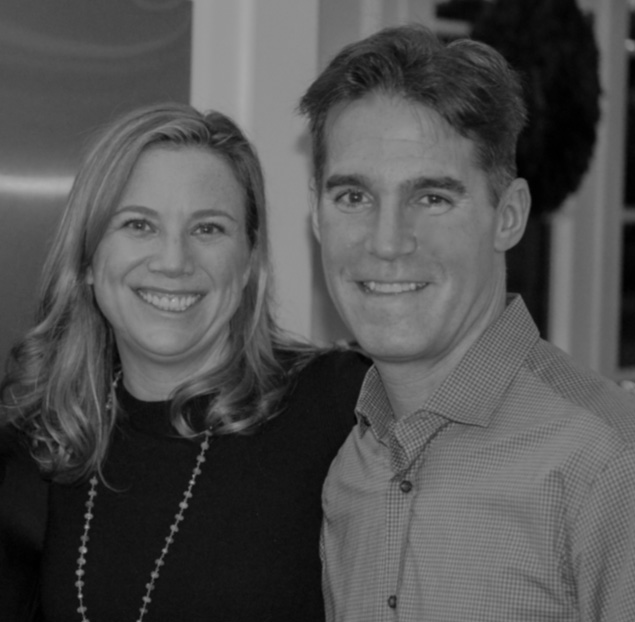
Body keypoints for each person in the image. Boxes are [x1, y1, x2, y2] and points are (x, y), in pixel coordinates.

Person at [298, 24, 635, 621]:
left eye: (432, 198)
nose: (387, 242)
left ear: (508, 215)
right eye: (354, 197)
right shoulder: (348, 470)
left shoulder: (613, 461)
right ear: (315, 215)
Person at [0, 103, 369, 621]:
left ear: (249, 261)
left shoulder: (342, 405)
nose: (173, 261)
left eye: (208, 229)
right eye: (138, 224)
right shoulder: (39, 439)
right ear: (87, 260)